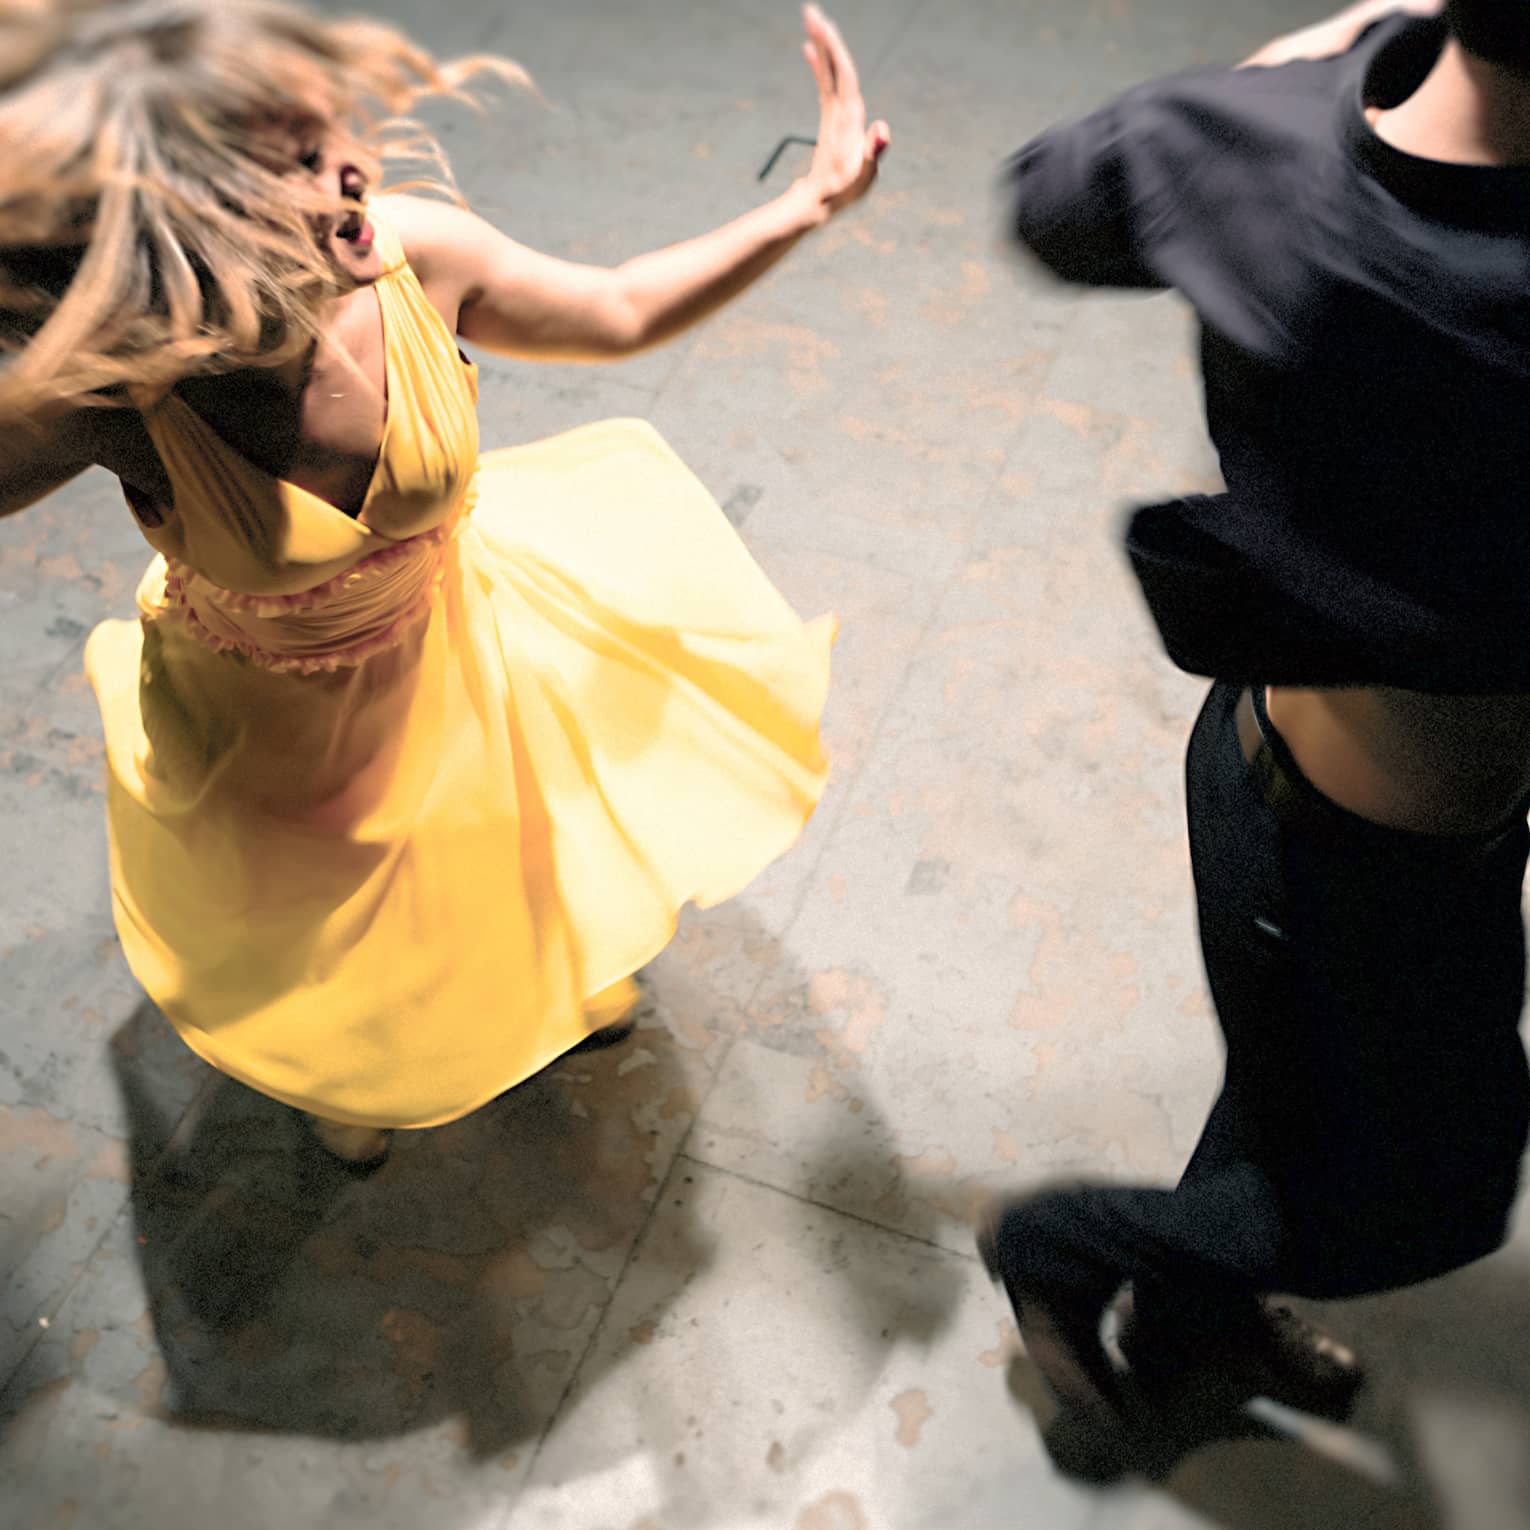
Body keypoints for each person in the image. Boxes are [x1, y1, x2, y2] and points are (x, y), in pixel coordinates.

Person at [0, 0, 889, 1168]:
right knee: (335, 938)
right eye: (294, 175)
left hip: (457, 646)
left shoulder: (414, 250)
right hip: (270, 725)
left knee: (507, 845)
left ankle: (550, 982)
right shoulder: (116, 393)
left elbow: (615, 309)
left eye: (328, 140)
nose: (349, 179)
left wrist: (804, 206)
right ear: (175, 241)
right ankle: (357, 1063)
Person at [981, 0, 1530, 1475]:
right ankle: (1058, 1242)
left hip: (1310, 769)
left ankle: (1188, 1329)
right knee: (1427, 1189)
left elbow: (1052, 199)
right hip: (1350, 849)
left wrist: (1285, 88)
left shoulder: (1268, 154)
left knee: (1295, 1090)